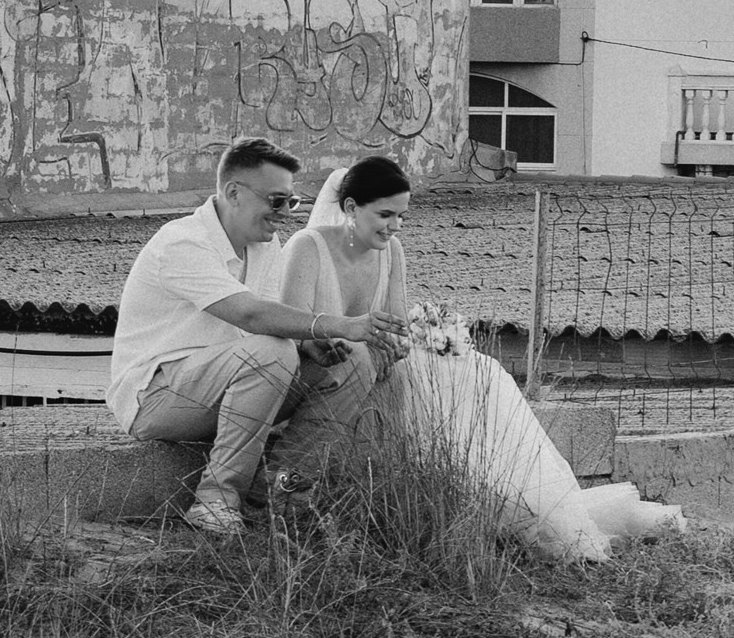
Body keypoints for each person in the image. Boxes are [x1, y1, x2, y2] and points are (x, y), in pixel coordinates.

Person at [275, 152, 687, 562]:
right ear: (350, 207)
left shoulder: (392, 251)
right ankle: (296, 493)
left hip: (376, 361)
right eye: (385, 215)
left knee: (481, 375)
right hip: (320, 365)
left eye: (402, 216)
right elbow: (292, 326)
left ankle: (509, 499)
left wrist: (396, 343)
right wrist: (348, 338)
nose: (395, 226)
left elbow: (397, 321)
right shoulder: (306, 247)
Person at [107, 134, 408, 541]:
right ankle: (215, 501)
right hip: (156, 397)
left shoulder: (265, 248)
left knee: (351, 359)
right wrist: (340, 324)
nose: (284, 213)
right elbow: (251, 315)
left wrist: (314, 343)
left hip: (228, 385)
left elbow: (278, 324)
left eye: (291, 202)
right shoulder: (182, 242)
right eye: (276, 201)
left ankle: (280, 495)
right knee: (272, 350)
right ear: (234, 192)